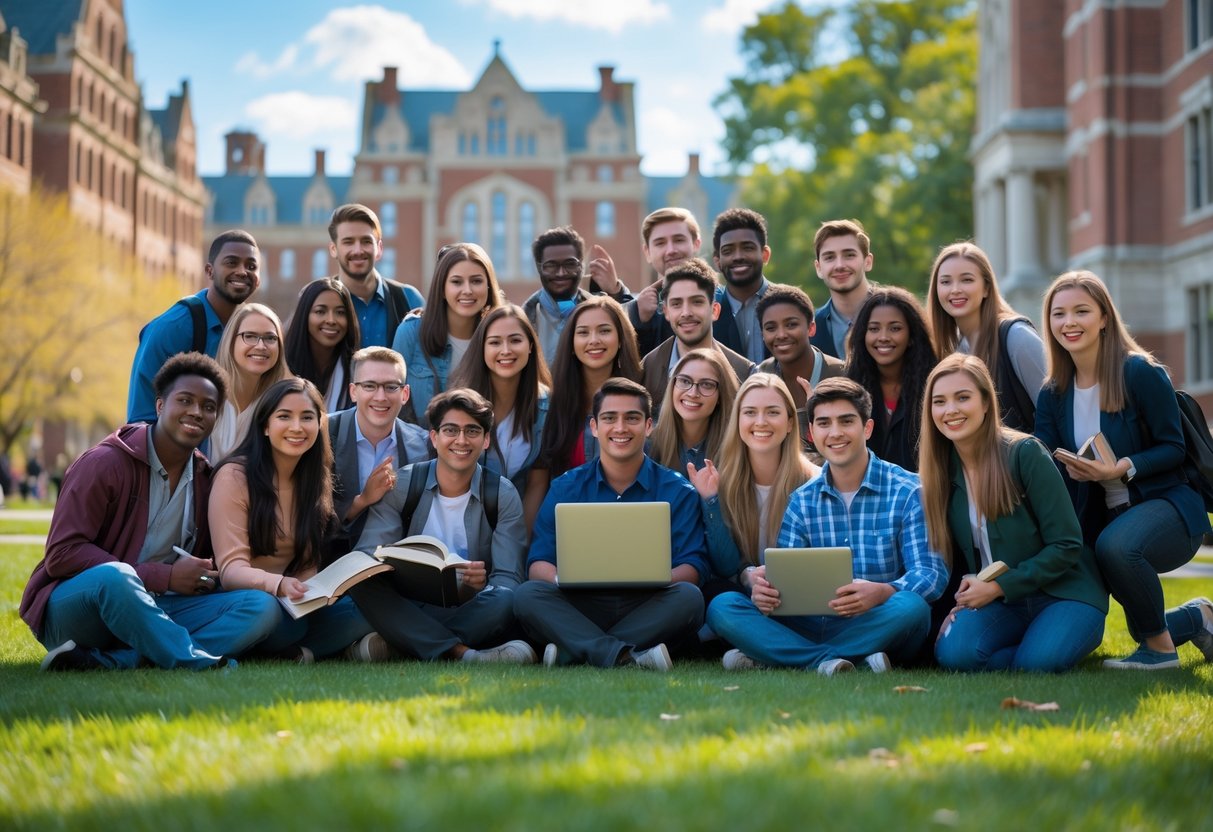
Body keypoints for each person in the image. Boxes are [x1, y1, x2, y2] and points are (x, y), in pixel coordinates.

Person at [21, 353, 280, 670]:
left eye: (208, 407)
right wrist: (166, 576)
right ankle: (193, 661)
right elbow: (63, 553)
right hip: (79, 609)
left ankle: (116, 661)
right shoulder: (103, 464)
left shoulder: (205, 479)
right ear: (160, 406)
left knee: (261, 607)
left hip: (157, 606)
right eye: (185, 400)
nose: (196, 412)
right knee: (115, 577)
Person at [707, 377, 948, 674]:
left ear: (867, 428)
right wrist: (767, 593)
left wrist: (884, 591)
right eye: (824, 423)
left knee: (912, 608)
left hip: (878, 620)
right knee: (723, 606)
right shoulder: (802, 500)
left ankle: (781, 657)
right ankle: (838, 661)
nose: (835, 433)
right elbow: (787, 578)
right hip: (811, 622)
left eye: (846, 421)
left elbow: (931, 573)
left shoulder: (909, 491)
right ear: (811, 432)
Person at [1035, 271, 1212, 669]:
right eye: (1059, 314)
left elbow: (1174, 447)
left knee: (1115, 547)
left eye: (1081, 311)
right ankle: (1199, 618)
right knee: (1137, 616)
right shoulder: (1052, 393)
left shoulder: (1139, 372)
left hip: (1166, 505)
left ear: (1103, 318)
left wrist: (1122, 469)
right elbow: (1044, 457)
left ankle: (1160, 654)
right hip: (1101, 518)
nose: (1069, 322)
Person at [919, 354, 1107, 672]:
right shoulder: (940, 471)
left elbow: (1066, 545)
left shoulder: (1025, 453)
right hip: (1004, 602)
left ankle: (1050, 644)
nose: (950, 410)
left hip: (1064, 591)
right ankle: (1036, 646)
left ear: (986, 403)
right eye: (940, 401)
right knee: (955, 655)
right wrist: (961, 602)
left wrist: (997, 587)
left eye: (962, 397)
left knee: (1037, 664)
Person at [513, 378, 708, 670]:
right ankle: (626, 655)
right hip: (581, 604)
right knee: (527, 595)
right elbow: (538, 563)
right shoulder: (566, 488)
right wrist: (560, 580)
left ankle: (576, 650)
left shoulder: (677, 490)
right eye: (609, 418)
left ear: (648, 425)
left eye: (632, 418)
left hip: (648, 605)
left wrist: (656, 578)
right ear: (594, 427)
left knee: (690, 599)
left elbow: (693, 566)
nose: (620, 428)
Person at [346, 389, 532, 664]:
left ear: (486, 440)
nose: (461, 440)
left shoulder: (502, 494)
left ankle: (403, 643)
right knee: (362, 583)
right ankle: (461, 653)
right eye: (450, 430)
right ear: (434, 437)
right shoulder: (403, 485)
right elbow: (369, 554)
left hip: (472, 605)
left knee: (506, 599)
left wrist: (479, 587)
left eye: (472, 431)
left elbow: (507, 577)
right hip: (409, 602)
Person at [211, 378, 372, 662]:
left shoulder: (314, 479)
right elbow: (231, 571)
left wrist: (315, 593)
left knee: (365, 609)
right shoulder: (235, 476)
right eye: (284, 416)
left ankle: (289, 653)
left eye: (307, 417)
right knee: (266, 612)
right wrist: (279, 585)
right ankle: (288, 649)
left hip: (291, 604)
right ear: (265, 426)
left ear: (319, 425)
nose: (297, 427)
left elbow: (306, 564)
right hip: (247, 600)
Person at [687, 373, 817, 599]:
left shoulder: (815, 482)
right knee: (723, 605)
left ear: (789, 423)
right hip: (745, 600)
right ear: (738, 421)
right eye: (749, 412)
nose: (760, 422)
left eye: (773, 412)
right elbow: (725, 566)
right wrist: (712, 502)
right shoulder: (720, 482)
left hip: (800, 598)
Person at [127, 230, 260, 423]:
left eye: (251, 266)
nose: (242, 271)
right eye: (231, 262)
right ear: (209, 271)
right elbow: (142, 418)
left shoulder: (255, 332)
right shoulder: (173, 327)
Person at [448, 304, 552, 530]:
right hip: (463, 526)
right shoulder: (459, 405)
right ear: (482, 348)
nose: (506, 350)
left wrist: (515, 542)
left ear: (531, 346)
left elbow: (537, 484)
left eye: (515, 340)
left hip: (519, 525)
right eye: (495, 342)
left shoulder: (546, 405)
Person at [927, 242, 1045, 432]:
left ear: (987, 288)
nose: (955, 289)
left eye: (966, 280)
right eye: (946, 282)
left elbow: (1055, 412)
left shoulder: (1017, 337)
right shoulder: (958, 350)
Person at [327, 347, 430, 555]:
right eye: (370, 386)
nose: (381, 397)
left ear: (405, 394)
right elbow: (305, 515)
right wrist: (361, 501)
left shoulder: (424, 445)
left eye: (391, 387)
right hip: (328, 560)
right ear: (353, 392)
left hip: (397, 564)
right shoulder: (324, 434)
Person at [391, 243, 503, 428]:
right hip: (422, 450)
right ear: (442, 288)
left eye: (476, 281)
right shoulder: (410, 332)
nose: (467, 290)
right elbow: (393, 399)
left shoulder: (500, 337)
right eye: (457, 282)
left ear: (489, 287)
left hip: (483, 451)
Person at [538, 295, 642, 478]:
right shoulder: (551, 406)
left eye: (604, 331)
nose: (594, 340)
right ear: (571, 343)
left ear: (620, 340)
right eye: (583, 332)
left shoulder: (642, 400)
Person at [639, 257, 754, 419]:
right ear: (666, 311)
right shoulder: (648, 370)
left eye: (696, 302)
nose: (686, 312)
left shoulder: (744, 373)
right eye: (677, 304)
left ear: (714, 310)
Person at [844, 287, 938, 472]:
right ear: (863, 335)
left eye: (895, 328)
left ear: (911, 335)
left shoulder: (935, 385)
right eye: (874, 329)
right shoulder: (850, 386)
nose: (883, 337)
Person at [522, 225, 633, 364]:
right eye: (551, 265)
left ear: (581, 266)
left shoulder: (603, 311)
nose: (561, 273)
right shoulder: (522, 319)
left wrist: (617, 292)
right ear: (539, 268)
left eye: (570, 264)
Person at [756, 284, 845, 445]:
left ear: (811, 328)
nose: (781, 335)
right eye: (771, 328)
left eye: (791, 325)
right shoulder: (761, 375)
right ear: (762, 334)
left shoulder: (841, 374)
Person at [327, 203, 424, 348]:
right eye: (348, 242)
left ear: (379, 248)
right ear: (333, 249)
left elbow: (432, 355)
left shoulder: (408, 298)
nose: (358, 250)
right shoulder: (317, 301)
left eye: (366, 241)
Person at [210, 303, 292, 462]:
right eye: (250, 336)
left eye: (270, 338)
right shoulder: (208, 398)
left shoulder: (279, 406)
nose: (261, 346)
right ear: (231, 341)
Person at [624, 207, 705, 355]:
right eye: (660, 243)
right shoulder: (639, 312)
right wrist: (640, 322)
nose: (671, 250)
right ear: (647, 252)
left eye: (679, 240)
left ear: (696, 244)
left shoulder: (722, 300)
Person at [648, 348, 739, 474]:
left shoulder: (736, 449)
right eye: (685, 381)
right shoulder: (648, 445)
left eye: (706, 384)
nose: (692, 393)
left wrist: (711, 494)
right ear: (672, 386)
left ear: (721, 395)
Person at [283, 277, 361, 413]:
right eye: (320, 311)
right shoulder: (282, 366)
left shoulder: (358, 371)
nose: (331, 320)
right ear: (304, 315)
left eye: (340, 313)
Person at [710, 208, 776, 364]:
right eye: (728, 251)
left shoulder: (789, 303)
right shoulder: (707, 313)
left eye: (747, 248)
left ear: (765, 254)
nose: (738, 257)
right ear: (717, 261)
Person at [809, 220, 877, 361]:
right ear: (818, 268)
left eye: (849, 255)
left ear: (868, 262)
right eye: (829, 257)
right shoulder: (810, 329)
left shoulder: (899, 315)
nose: (839, 265)